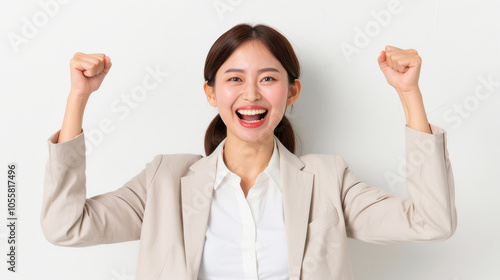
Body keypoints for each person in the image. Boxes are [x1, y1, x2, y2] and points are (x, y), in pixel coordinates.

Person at [41, 23, 457, 280]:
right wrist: (78, 98)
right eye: (234, 78)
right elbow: (66, 226)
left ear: (292, 90)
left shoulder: (327, 179)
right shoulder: (164, 181)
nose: (252, 95)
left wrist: (409, 94)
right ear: (211, 93)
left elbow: (431, 222)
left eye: (269, 78)